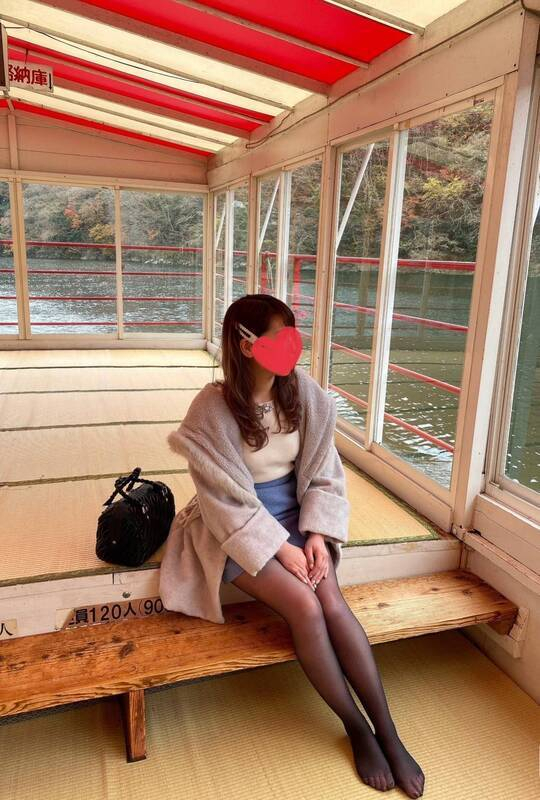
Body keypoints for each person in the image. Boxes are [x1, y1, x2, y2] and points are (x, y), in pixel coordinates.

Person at [167, 294, 425, 797]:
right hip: (238, 528)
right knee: (305, 607)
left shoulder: (304, 392)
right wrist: (278, 548)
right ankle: (356, 728)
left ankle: (389, 733)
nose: (291, 346)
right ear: (245, 345)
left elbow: (325, 470)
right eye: (278, 337)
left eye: (292, 334)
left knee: (331, 599)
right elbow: (221, 502)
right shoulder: (210, 410)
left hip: (300, 514)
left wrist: (317, 535)